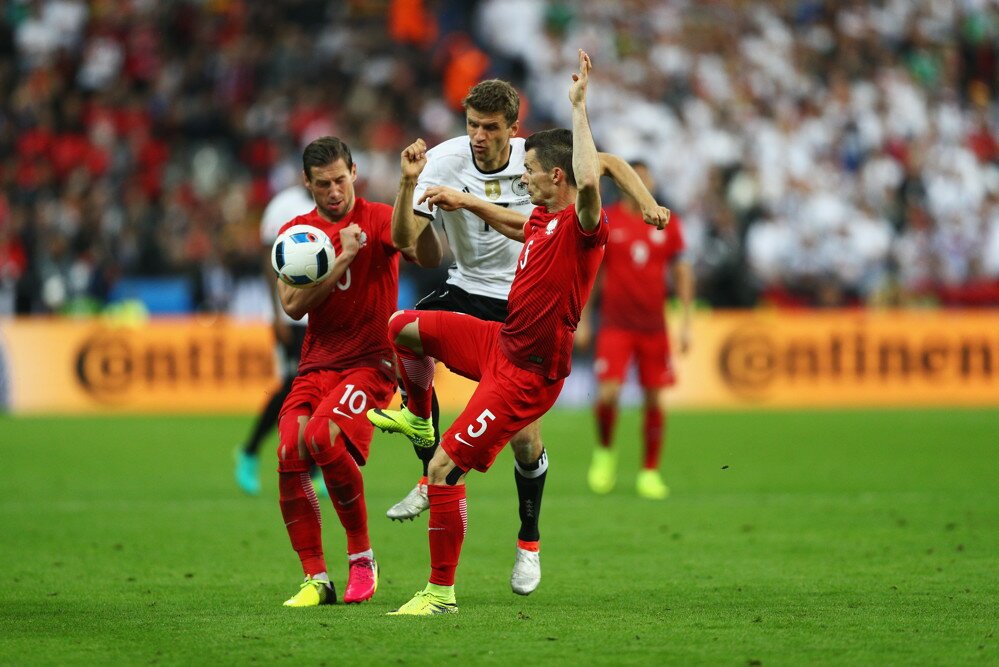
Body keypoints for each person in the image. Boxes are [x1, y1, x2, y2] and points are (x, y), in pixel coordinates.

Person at [370, 49, 664, 615]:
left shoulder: (582, 225)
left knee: (454, 466)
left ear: (554, 175)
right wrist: (460, 199)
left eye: (528, 173)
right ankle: (416, 415)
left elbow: (591, 177)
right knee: (401, 327)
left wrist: (580, 108)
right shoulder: (539, 216)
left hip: (527, 373)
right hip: (498, 340)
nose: (519, 178)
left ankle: (443, 591)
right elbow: (506, 220)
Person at [275, 135, 441, 607]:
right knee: (290, 449)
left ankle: (362, 558)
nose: (334, 192)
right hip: (316, 364)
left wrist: (409, 189)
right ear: (307, 183)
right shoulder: (297, 234)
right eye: (323, 184)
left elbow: (423, 253)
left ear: (354, 173)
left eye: (341, 180)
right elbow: (291, 305)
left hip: (372, 363)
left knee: (323, 437)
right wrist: (342, 257)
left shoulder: (376, 217)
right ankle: (314, 578)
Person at [575, 163, 693, 500]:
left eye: (645, 178)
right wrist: (584, 319)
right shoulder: (609, 220)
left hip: (654, 327)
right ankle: (605, 452)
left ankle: (650, 471)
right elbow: (594, 274)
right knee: (608, 394)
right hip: (616, 325)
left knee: (655, 397)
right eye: (633, 178)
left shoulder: (667, 223)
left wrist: (686, 321)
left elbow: (682, 272)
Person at [234, 184, 323, 497]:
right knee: (295, 385)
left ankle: (314, 469)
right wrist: (275, 312)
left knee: (321, 390)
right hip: (290, 315)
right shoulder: (284, 206)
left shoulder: (338, 206)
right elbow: (267, 260)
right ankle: (250, 451)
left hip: (323, 314)